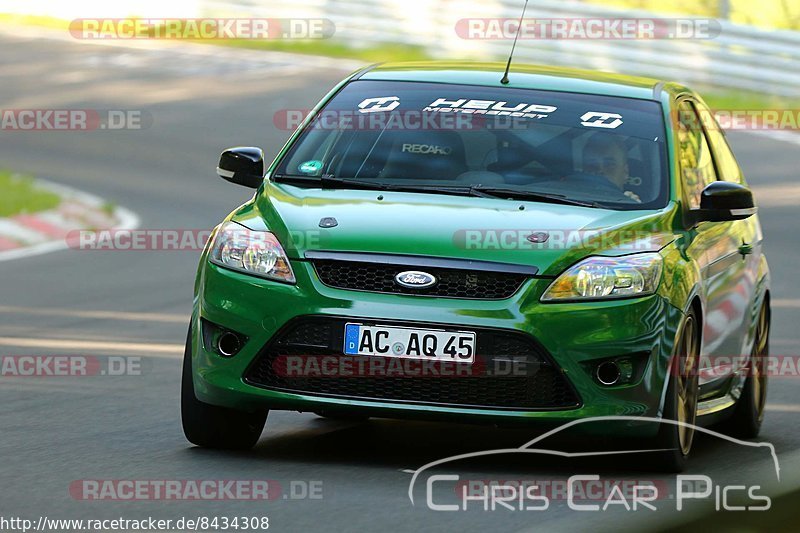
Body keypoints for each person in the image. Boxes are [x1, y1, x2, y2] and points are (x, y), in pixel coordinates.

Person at [581, 134, 641, 202]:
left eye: (609, 164)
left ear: (625, 172)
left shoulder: (638, 210)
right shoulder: (567, 198)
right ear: (584, 170)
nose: (600, 169)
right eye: (592, 164)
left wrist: (632, 208)